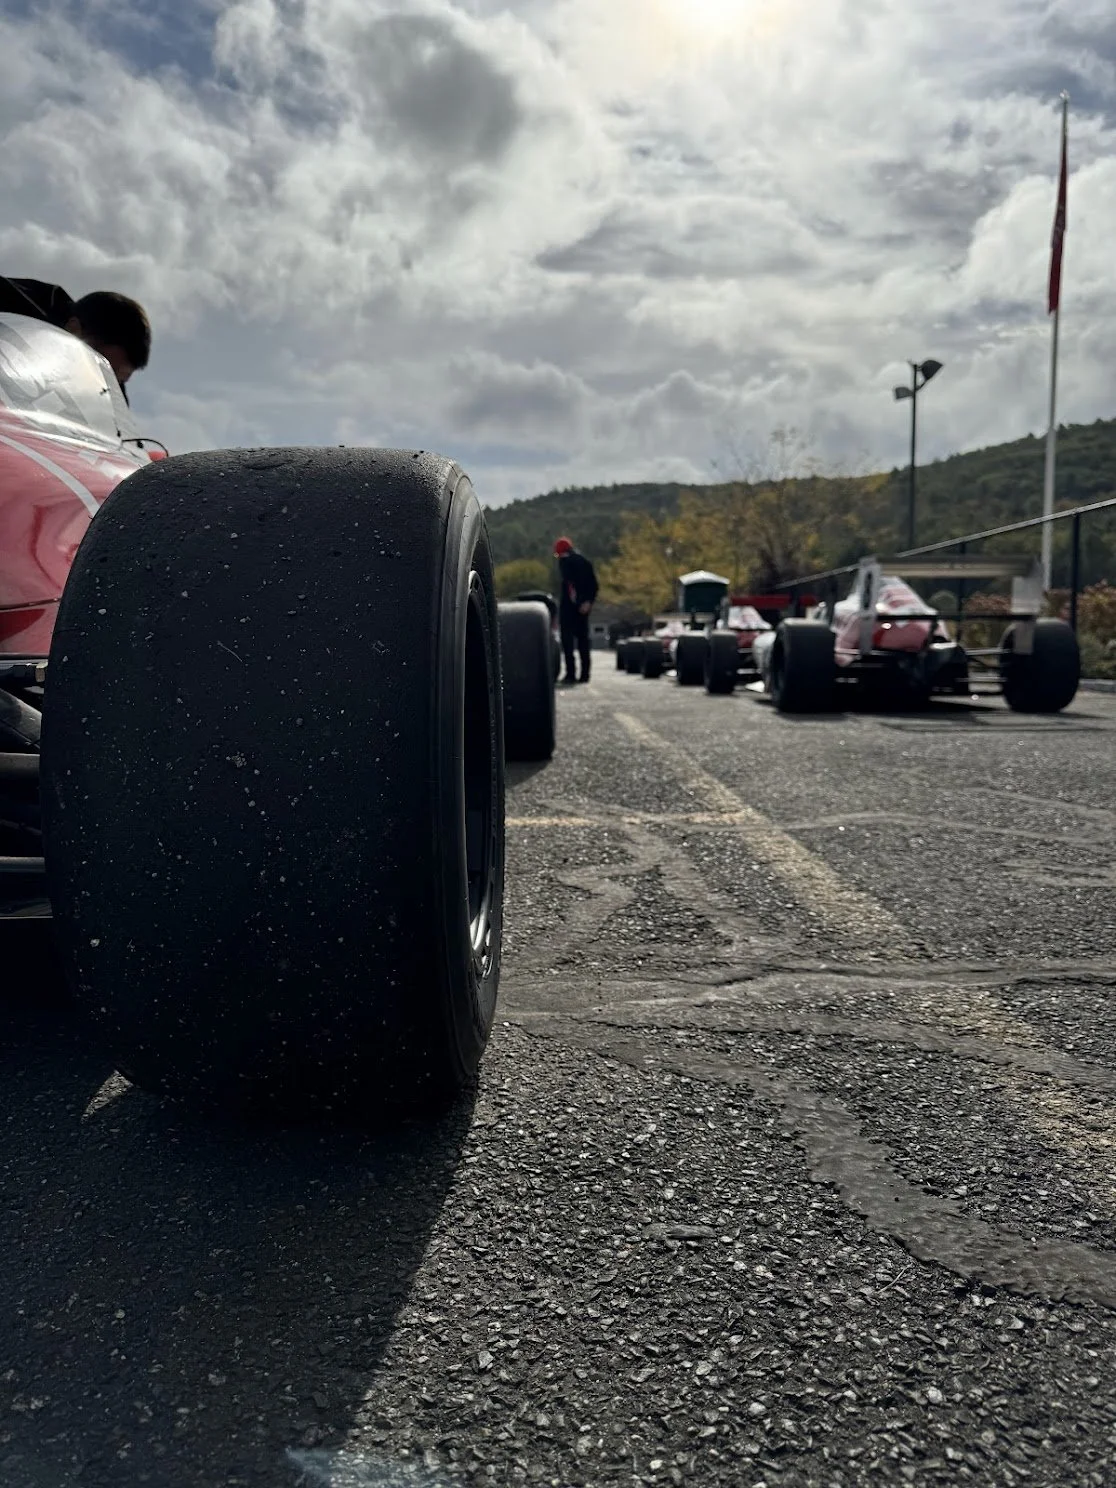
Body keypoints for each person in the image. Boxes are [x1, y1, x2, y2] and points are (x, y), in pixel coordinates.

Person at [0, 276, 151, 395]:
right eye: (98, 365)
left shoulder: (112, 396)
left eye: (114, 378)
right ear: (73, 329)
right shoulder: (16, 304)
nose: (100, 382)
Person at [554, 536, 598, 684]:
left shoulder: (565, 562)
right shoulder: (585, 562)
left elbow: (569, 585)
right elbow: (594, 584)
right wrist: (588, 602)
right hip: (583, 607)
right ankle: (585, 675)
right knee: (583, 642)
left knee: (568, 643)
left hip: (569, 608)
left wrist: (575, 601)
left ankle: (571, 674)